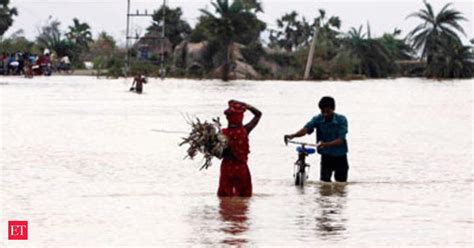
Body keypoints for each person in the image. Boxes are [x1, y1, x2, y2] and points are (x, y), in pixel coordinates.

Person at [284, 96, 349, 182]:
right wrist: (293, 135)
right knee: (325, 183)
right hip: (326, 157)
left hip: (340, 157)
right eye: (323, 112)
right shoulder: (318, 119)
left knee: (341, 184)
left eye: (327, 112)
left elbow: (341, 140)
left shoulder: (341, 120)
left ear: (333, 109)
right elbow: (306, 129)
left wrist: (325, 144)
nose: (325, 114)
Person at [218, 100, 262, 197]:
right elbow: (258, 114)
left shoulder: (223, 134)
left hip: (227, 168)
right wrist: (247, 105)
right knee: (243, 196)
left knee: (225, 197)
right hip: (241, 168)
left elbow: (219, 154)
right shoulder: (245, 130)